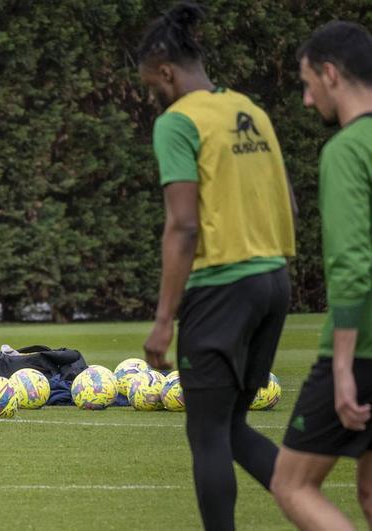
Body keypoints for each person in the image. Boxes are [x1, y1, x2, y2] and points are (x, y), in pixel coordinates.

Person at [137, 3, 296, 529]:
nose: (152, 96)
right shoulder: (249, 110)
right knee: (231, 428)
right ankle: (313, 506)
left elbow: (183, 225)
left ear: (165, 72)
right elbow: (289, 206)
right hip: (274, 282)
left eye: (151, 85)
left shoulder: (177, 122)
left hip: (222, 289)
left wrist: (164, 320)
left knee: (207, 435)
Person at [270, 22, 372, 530]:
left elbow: (351, 267)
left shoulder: (347, 150)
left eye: (308, 84)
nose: (307, 100)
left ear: (331, 74)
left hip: (365, 350)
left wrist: (342, 368)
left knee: (291, 483)